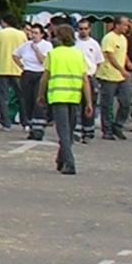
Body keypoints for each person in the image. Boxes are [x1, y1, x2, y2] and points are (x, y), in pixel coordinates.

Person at [43, 19, 92, 175]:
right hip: (74, 96)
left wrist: (40, 95)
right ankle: (62, 159)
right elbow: (85, 79)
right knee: (68, 131)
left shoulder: (53, 54)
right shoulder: (78, 55)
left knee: (63, 131)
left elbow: (45, 77)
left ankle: (69, 162)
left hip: (58, 95)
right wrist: (89, 102)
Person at [0, 14, 26, 127]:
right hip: (17, 68)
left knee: (3, 97)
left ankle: (6, 122)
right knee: (21, 96)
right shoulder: (21, 34)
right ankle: (25, 121)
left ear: (4, 22)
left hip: (2, 67)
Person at [98, 18, 132, 141]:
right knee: (107, 104)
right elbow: (110, 55)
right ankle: (107, 129)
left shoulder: (123, 39)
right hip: (109, 74)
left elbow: (123, 53)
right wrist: (121, 69)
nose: (126, 28)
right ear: (117, 25)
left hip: (121, 76)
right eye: (124, 25)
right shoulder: (109, 38)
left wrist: (128, 63)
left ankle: (118, 125)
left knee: (126, 101)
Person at [14, 19, 51, 134]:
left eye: (36, 33)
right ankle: (28, 121)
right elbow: (15, 55)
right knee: (27, 99)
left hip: (40, 73)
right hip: (28, 72)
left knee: (38, 98)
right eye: (31, 32)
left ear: (41, 34)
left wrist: (36, 50)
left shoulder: (46, 45)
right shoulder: (25, 45)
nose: (33, 35)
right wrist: (21, 66)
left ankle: (39, 124)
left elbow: (44, 61)